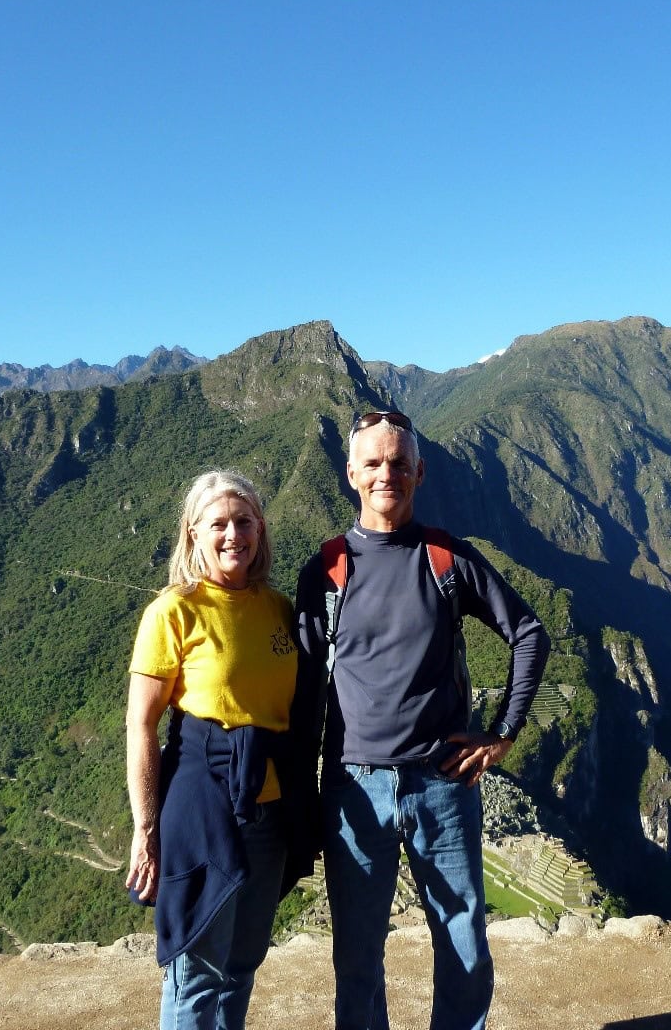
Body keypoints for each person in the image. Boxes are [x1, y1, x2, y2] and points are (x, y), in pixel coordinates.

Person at [296, 410, 551, 1030]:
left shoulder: (447, 559)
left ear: (420, 473)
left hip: (442, 781)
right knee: (357, 954)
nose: (389, 473)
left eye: (400, 463)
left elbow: (528, 633)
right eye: (375, 463)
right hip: (355, 789)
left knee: (463, 940)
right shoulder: (325, 571)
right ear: (352, 472)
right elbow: (302, 694)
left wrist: (503, 732)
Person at [126, 470, 319, 1030]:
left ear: (260, 529)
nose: (233, 534)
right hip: (202, 802)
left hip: (270, 807)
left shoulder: (278, 609)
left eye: (244, 522)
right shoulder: (173, 612)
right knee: (197, 973)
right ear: (192, 535)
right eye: (219, 524)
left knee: (241, 966)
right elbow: (142, 725)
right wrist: (146, 828)